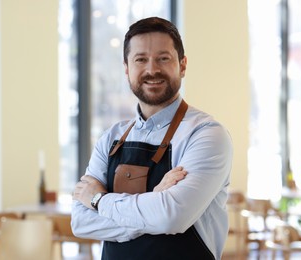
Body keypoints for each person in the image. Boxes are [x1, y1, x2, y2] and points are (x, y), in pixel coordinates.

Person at [71, 16, 233, 260]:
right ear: (127, 69)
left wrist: (98, 200)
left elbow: (171, 217)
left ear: (183, 65)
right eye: (141, 60)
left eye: (163, 58)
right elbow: (81, 222)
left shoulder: (206, 134)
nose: (151, 69)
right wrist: (153, 202)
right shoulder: (110, 138)